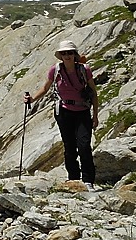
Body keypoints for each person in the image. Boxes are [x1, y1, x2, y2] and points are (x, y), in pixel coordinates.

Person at [24, 40, 99, 188]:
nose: (67, 56)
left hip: (83, 111)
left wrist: (95, 116)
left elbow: (93, 93)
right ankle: (73, 178)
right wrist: (32, 99)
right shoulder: (55, 70)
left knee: (84, 146)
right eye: (64, 53)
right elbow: (45, 88)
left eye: (70, 53)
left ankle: (88, 180)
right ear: (60, 56)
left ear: (74, 54)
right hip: (64, 112)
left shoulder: (85, 69)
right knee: (69, 147)